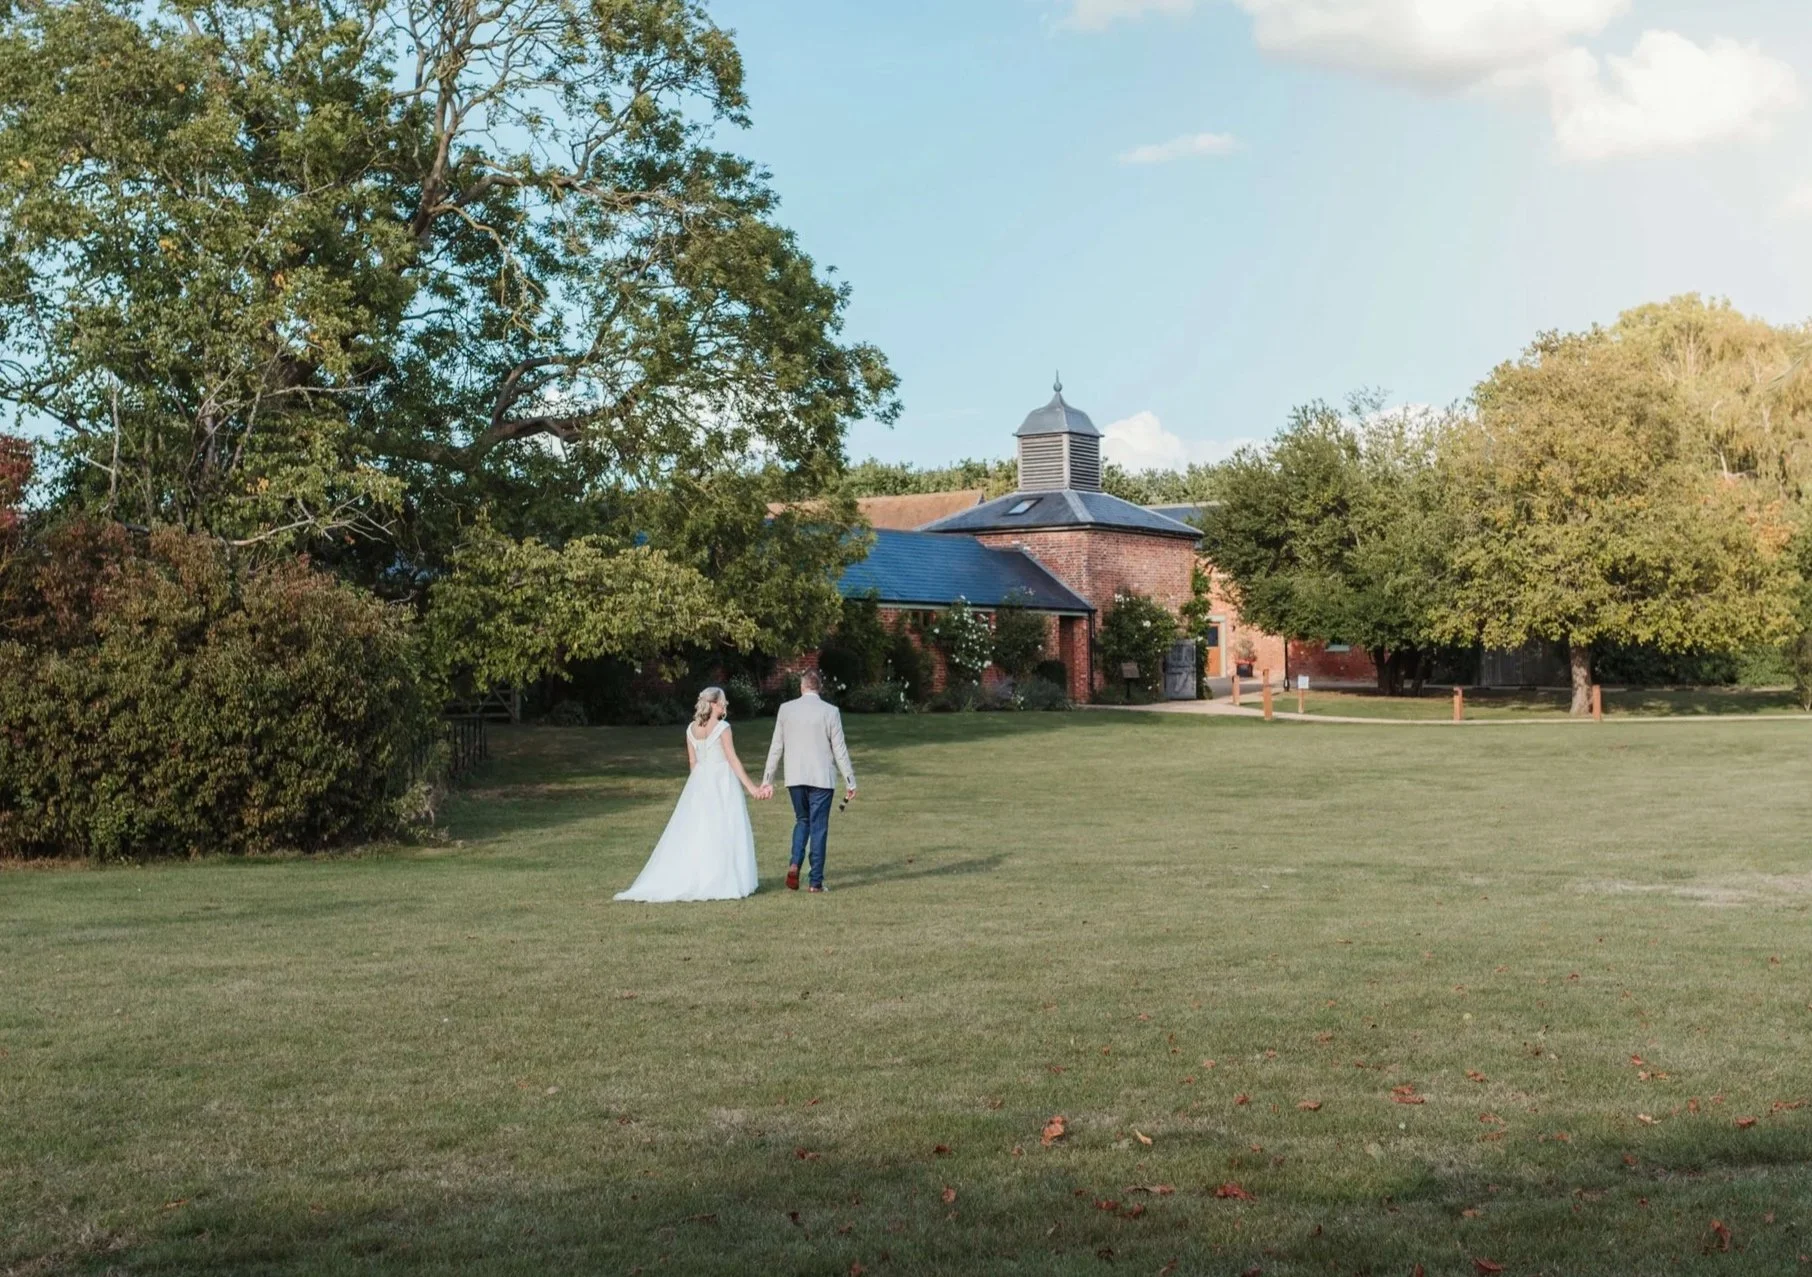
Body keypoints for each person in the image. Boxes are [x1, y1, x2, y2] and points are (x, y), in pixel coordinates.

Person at [615, 687, 765, 902]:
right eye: (722, 701)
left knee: (701, 829)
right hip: (722, 781)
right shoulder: (723, 727)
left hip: (700, 782)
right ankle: (723, 879)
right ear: (713, 704)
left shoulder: (691, 729)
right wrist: (751, 787)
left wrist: (699, 783)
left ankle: (703, 876)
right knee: (725, 827)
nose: (725, 704)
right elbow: (732, 759)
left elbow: (693, 762)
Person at [760, 669, 857, 893]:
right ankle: (815, 882)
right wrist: (850, 781)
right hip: (822, 778)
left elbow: (776, 746)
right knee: (819, 827)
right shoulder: (830, 712)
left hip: (795, 777)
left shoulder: (786, 709)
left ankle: (795, 862)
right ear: (819, 688)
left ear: (802, 687)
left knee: (802, 820)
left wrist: (768, 779)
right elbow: (839, 749)